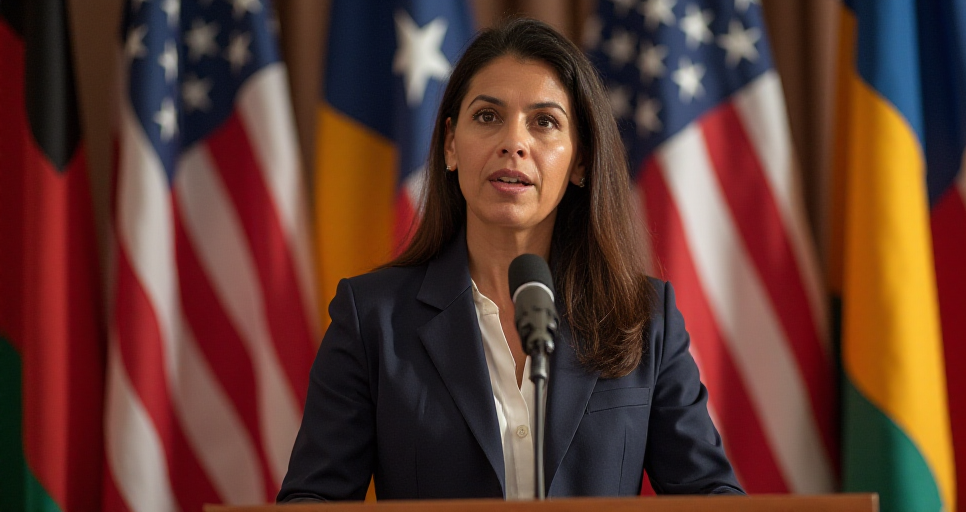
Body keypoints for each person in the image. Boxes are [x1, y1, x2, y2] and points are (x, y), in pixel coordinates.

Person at [277, 17, 743, 502]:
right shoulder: (373, 319)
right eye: (487, 116)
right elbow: (313, 500)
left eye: (544, 122)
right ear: (451, 145)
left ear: (581, 160)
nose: (513, 143)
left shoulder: (644, 318)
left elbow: (712, 495)